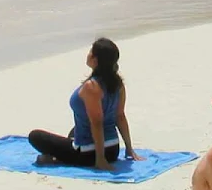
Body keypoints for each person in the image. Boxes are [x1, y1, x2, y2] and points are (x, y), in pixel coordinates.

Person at [27, 38, 141, 170]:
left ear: (95, 60)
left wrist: (100, 160)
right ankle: (63, 155)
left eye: (91, 51)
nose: (88, 54)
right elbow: (120, 116)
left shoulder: (92, 87)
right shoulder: (117, 83)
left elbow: (96, 123)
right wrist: (128, 148)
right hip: (113, 149)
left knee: (35, 136)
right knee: (74, 131)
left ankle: (57, 159)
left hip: (88, 154)